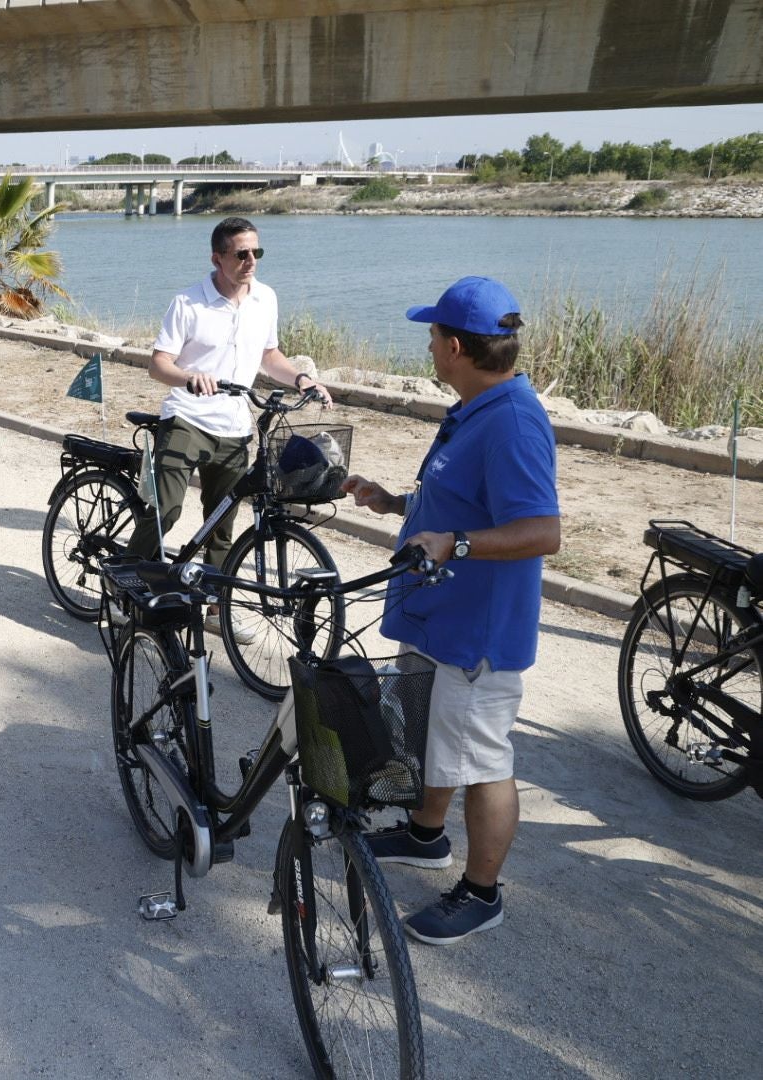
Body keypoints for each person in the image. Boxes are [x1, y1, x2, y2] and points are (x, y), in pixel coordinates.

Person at [342, 276, 561, 945]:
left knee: (483, 762)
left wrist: (455, 543)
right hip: (438, 617)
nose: (429, 346)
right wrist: (393, 504)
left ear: (457, 346)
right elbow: (456, 502)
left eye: (433, 335)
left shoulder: (514, 422)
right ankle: (425, 834)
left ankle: (481, 892)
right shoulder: (474, 407)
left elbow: (542, 531)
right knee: (428, 731)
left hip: (476, 634)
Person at [124, 216, 330, 634]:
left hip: (236, 426)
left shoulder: (265, 299)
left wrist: (303, 379)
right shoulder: (188, 302)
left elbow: (270, 356)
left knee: (222, 525)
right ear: (217, 258)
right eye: (241, 254)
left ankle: (217, 610)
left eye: (256, 252)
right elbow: (158, 364)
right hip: (187, 417)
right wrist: (189, 377)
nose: (251, 260)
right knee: (165, 510)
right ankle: (127, 591)